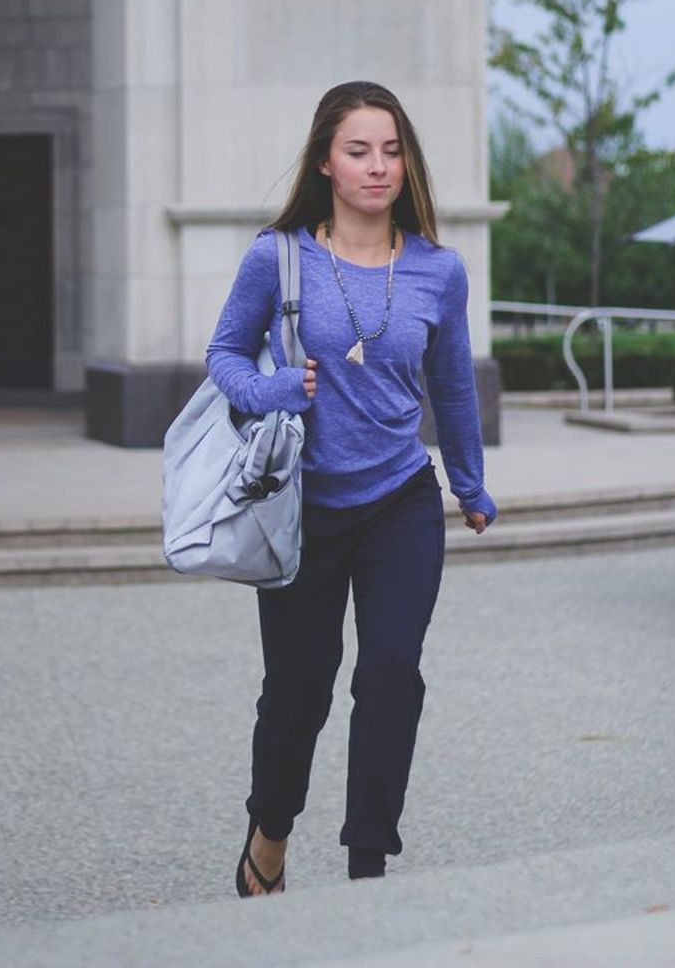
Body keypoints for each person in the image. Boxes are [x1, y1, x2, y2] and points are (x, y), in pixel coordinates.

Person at [205, 80, 497, 896]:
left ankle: (368, 865)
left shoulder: (439, 269)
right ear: (326, 163)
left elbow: (452, 388)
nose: (378, 166)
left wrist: (469, 485)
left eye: (391, 149)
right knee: (297, 693)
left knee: (391, 672)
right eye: (359, 150)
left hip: (401, 500)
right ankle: (270, 832)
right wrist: (271, 390)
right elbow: (223, 357)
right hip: (299, 507)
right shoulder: (279, 255)